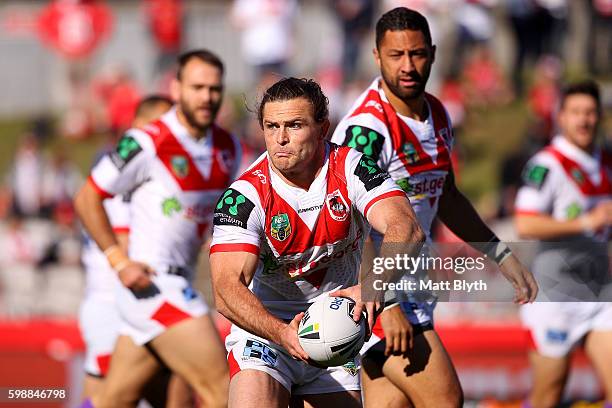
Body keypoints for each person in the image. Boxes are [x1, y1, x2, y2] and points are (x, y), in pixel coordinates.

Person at [330, 7, 538, 407]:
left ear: (433, 53)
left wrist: (501, 254)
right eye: (396, 55)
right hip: (378, 296)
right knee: (445, 399)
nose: (408, 65)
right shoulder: (366, 130)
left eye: (417, 53)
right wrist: (383, 303)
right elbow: (346, 221)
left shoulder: (438, 114)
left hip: (413, 289)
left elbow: (447, 197)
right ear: (376, 56)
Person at [209, 77, 425, 407]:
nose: (280, 138)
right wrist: (283, 334)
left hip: (337, 329)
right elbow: (226, 289)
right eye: (271, 126)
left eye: (294, 125)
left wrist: (372, 285)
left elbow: (405, 227)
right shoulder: (244, 196)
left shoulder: (353, 167)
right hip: (266, 333)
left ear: (323, 129)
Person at [74, 49, 240, 408]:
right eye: (197, 87)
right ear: (176, 88)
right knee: (224, 389)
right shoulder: (148, 141)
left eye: (215, 88)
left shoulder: (228, 146)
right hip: (155, 286)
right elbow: (87, 198)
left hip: (174, 282)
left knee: (114, 400)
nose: (207, 97)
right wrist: (119, 261)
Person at [78, 95, 182, 404]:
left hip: (143, 300)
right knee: (106, 398)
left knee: (178, 391)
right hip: (112, 301)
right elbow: (128, 246)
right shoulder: (123, 174)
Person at [514, 80, 612, 408]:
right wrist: (587, 222)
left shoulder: (606, 161)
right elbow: (525, 223)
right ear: (561, 117)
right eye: (576, 112)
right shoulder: (546, 165)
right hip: (556, 298)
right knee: (548, 397)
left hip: (599, 295)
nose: (584, 120)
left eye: (590, 112)